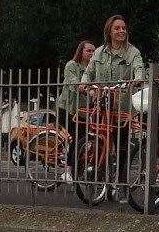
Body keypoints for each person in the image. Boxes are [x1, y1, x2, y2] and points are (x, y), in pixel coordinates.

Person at [80, 15, 145, 186]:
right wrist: (84, 84)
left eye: (123, 28)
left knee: (121, 146)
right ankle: (101, 177)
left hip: (122, 108)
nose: (121, 31)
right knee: (98, 141)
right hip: (101, 105)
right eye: (117, 28)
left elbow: (139, 68)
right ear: (109, 31)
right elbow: (89, 71)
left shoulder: (133, 52)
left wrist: (137, 79)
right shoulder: (99, 52)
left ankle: (122, 183)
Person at [57, 40, 96, 180]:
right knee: (79, 138)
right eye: (88, 50)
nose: (91, 53)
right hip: (68, 109)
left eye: (93, 51)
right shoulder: (71, 65)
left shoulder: (93, 70)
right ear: (81, 51)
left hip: (83, 112)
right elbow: (73, 82)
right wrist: (85, 89)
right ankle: (67, 171)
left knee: (86, 138)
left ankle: (78, 170)